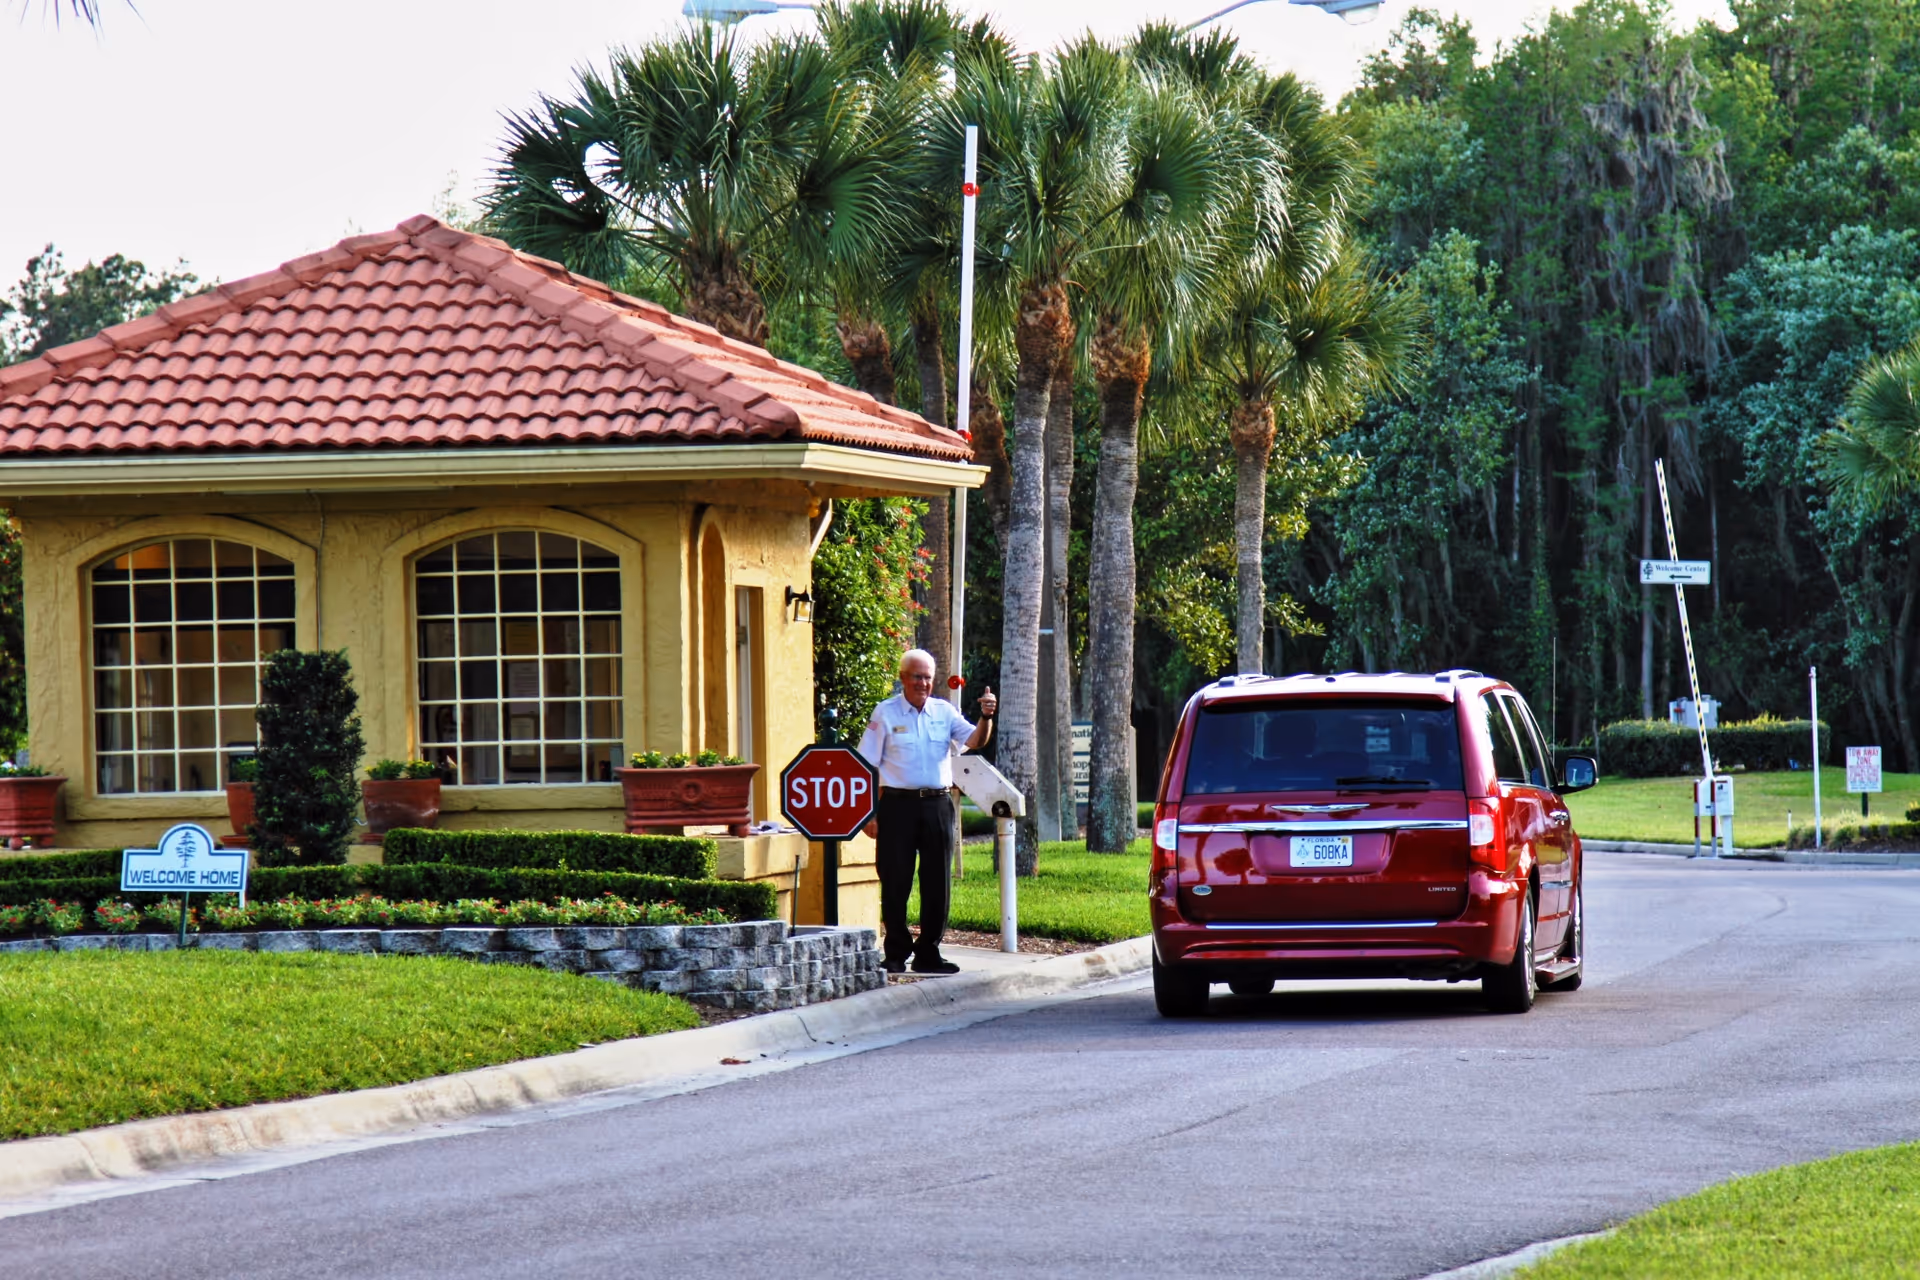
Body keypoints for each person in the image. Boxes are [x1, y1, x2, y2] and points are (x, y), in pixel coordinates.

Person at [856, 649, 996, 974]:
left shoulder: (943, 712)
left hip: (937, 804)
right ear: (903, 678)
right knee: (895, 880)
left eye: (928, 677)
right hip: (896, 806)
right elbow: (867, 765)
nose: (924, 683)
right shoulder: (885, 713)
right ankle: (895, 952)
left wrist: (986, 717)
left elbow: (975, 740)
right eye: (917, 676)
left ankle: (929, 952)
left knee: (937, 882)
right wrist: (870, 814)